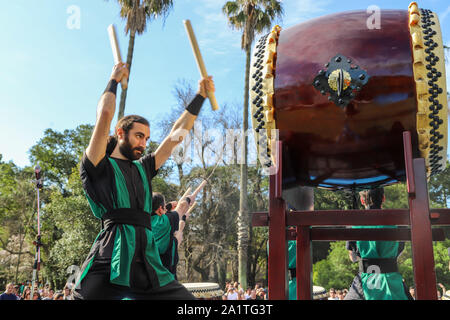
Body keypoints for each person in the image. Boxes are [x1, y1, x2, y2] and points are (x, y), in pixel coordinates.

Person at [72, 62, 215, 300]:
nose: (143, 143)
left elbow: (175, 136)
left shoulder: (144, 168)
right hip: (111, 259)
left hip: (149, 265)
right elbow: (105, 114)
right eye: (139, 136)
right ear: (120, 133)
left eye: (147, 138)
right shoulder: (99, 165)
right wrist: (114, 80)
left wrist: (200, 95)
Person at [344, 188, 412, 300]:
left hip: (366, 279)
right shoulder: (397, 221)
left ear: (362, 200)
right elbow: (399, 251)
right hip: (392, 279)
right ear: (383, 198)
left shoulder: (354, 223)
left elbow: (353, 258)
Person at [151, 192, 190, 279]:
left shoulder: (142, 223)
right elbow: (183, 206)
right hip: (165, 278)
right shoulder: (163, 222)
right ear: (161, 209)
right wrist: (188, 199)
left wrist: (167, 206)